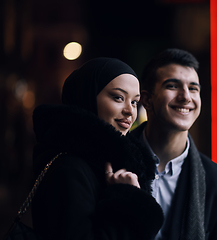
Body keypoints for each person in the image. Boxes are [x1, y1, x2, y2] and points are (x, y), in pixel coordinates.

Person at [31, 57, 164, 240]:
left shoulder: (110, 164)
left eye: (134, 102)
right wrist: (128, 198)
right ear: (88, 96)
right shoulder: (69, 168)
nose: (130, 111)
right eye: (118, 97)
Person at [130, 48, 217, 240]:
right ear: (146, 99)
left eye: (193, 88)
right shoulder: (110, 162)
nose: (186, 97)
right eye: (172, 86)